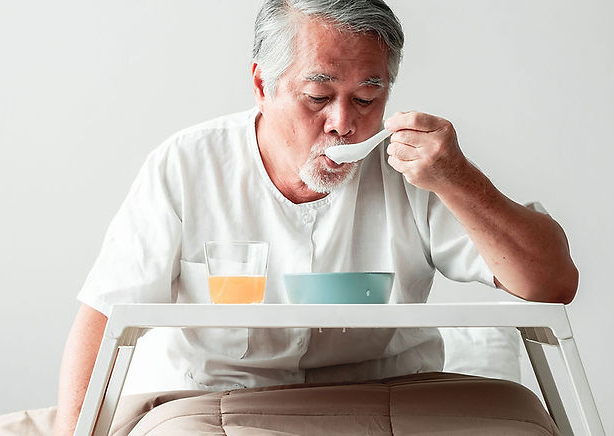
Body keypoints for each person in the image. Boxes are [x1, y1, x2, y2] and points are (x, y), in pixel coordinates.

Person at [54, 1, 578, 434]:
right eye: (318, 97)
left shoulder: (415, 167)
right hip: (222, 400)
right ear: (262, 85)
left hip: (392, 395)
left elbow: (551, 283)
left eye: (368, 98)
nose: (344, 124)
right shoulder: (188, 164)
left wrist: (459, 177)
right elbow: (104, 317)